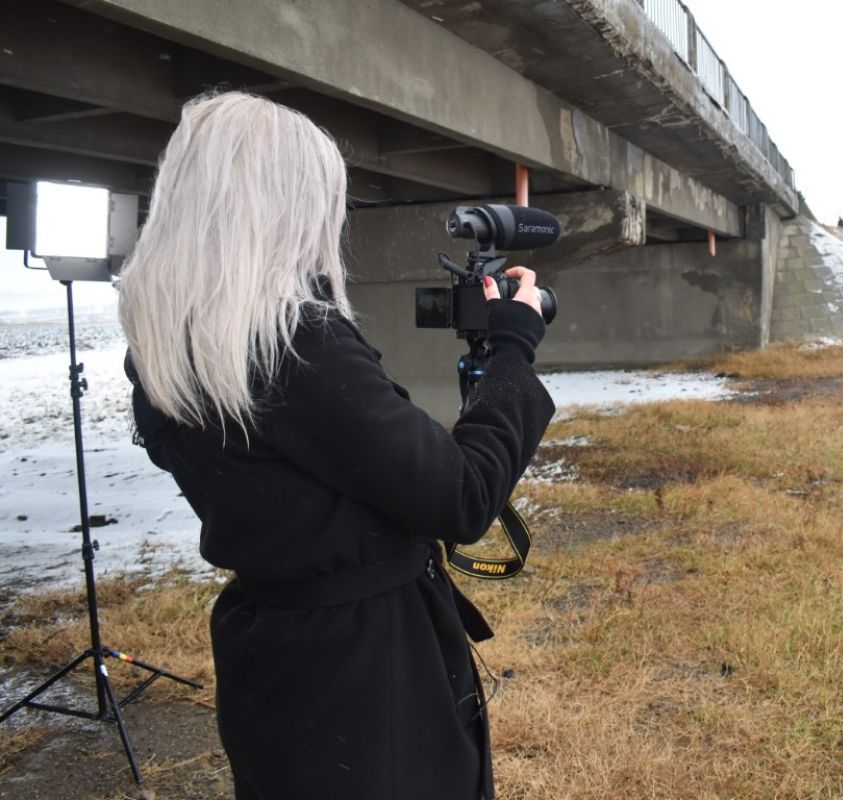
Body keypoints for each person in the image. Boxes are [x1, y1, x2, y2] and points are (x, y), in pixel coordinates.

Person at [118, 91, 555, 799]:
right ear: (286, 207)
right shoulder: (294, 345)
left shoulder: (167, 349)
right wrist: (512, 346)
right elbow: (462, 496)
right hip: (366, 672)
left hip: (275, 656)